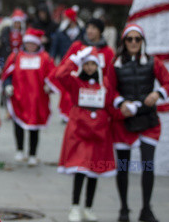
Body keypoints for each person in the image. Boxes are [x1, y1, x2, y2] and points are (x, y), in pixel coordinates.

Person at [107, 24, 169, 222]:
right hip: (124, 122)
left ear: (142, 41)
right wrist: (121, 102)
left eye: (138, 39)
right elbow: (109, 90)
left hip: (148, 120)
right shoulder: (115, 63)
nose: (134, 42)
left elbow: (168, 84)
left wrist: (158, 93)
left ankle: (146, 209)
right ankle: (124, 208)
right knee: (124, 166)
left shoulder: (154, 62)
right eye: (130, 39)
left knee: (148, 165)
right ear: (124, 42)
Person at [54, 47, 119, 222]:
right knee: (80, 168)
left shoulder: (104, 83)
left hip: (99, 132)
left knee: (94, 170)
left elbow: (111, 102)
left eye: (93, 64)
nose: (90, 67)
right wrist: (75, 59)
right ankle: (74, 207)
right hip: (79, 131)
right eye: (87, 64)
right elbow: (60, 75)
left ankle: (89, 207)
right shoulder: (75, 82)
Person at [2, 28, 56, 166]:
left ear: (37, 44)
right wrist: (8, 85)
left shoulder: (45, 58)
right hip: (19, 97)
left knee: (34, 127)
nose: (30, 46)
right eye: (28, 43)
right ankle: (20, 150)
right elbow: (8, 75)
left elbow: (52, 75)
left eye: (33, 43)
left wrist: (49, 86)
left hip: (37, 99)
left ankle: (32, 154)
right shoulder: (15, 57)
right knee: (18, 124)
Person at [49, 17, 115, 121]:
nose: (89, 31)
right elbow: (64, 66)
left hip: (98, 98)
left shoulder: (108, 51)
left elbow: (111, 75)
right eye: (88, 27)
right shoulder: (77, 46)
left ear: (100, 31)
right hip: (77, 92)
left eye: (93, 28)